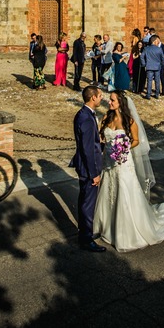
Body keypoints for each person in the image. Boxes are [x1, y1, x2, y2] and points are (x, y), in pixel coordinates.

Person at [93, 90, 164, 252]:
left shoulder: (129, 121)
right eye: (110, 100)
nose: (110, 102)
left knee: (124, 192)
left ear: (120, 103)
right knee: (109, 191)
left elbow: (136, 140)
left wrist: (125, 147)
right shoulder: (106, 118)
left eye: (113, 100)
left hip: (123, 163)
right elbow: (102, 138)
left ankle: (125, 232)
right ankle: (107, 225)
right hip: (108, 162)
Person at [69, 85, 106, 252]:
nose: (102, 98)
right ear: (93, 97)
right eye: (100, 96)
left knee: (85, 200)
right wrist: (94, 174)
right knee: (88, 204)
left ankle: (84, 232)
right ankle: (86, 238)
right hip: (88, 168)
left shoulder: (84, 114)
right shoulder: (86, 118)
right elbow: (88, 149)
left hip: (85, 166)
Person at [140, 35, 164, 99]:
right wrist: (161, 64)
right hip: (157, 67)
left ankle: (148, 95)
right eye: (157, 41)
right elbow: (163, 58)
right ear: (154, 41)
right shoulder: (159, 49)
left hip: (149, 67)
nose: (158, 42)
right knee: (157, 81)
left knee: (149, 81)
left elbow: (141, 56)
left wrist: (144, 64)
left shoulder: (146, 49)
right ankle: (157, 94)